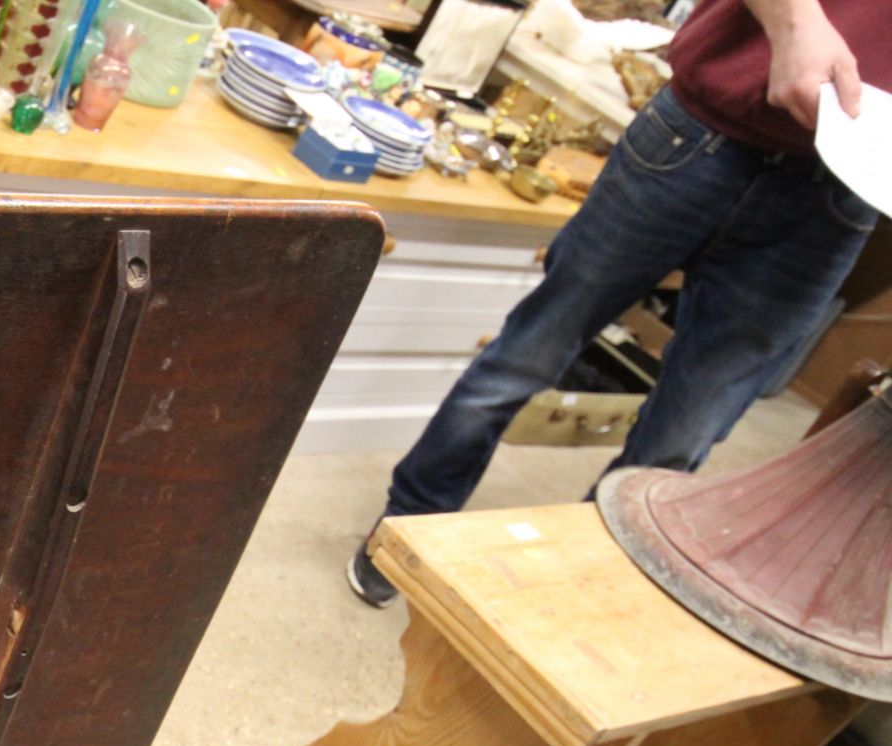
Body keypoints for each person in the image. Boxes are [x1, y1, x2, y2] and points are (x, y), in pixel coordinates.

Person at [348, 0, 887, 607]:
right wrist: (796, 23)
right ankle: (409, 527)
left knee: (687, 432)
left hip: (843, 190)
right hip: (704, 128)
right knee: (527, 354)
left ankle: (582, 588)